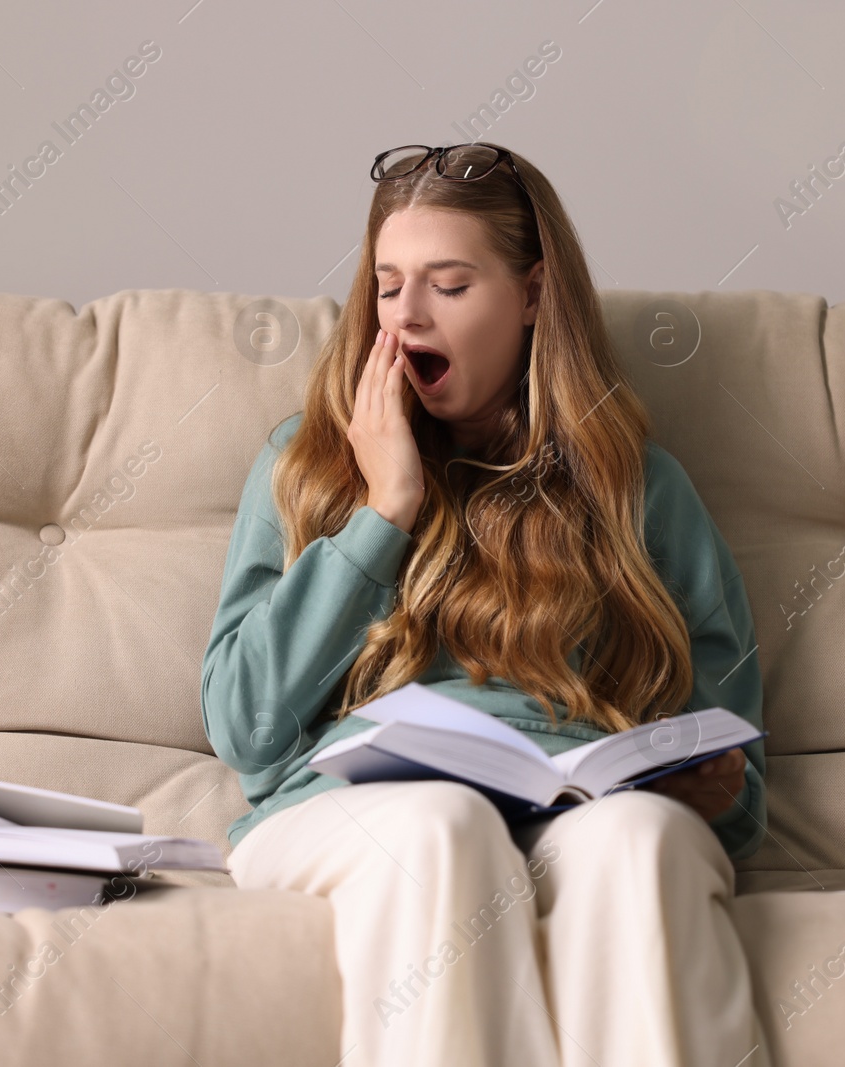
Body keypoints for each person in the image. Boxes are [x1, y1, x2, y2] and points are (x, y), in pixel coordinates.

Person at [201, 143, 771, 1067]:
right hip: (347, 812)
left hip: (564, 809)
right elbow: (245, 727)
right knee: (442, 823)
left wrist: (708, 790)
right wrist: (385, 512)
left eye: (449, 284)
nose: (408, 314)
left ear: (535, 294)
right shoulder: (307, 466)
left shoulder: (636, 490)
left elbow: (738, 777)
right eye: (389, 286)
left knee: (640, 838)